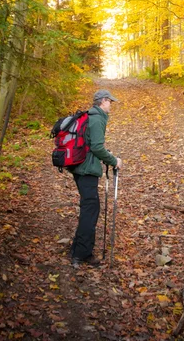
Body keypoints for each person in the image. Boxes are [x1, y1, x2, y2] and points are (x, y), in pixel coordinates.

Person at [70, 89, 122, 268]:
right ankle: (81, 254)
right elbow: (97, 147)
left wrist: (107, 155)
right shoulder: (98, 118)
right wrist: (114, 160)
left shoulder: (89, 116)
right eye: (110, 102)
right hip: (87, 170)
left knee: (88, 208)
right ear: (103, 101)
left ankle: (77, 250)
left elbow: (92, 144)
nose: (111, 105)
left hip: (79, 167)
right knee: (90, 210)